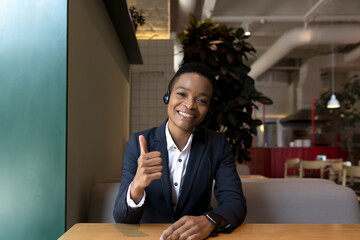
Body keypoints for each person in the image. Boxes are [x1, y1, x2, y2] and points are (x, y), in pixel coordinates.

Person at [113, 62, 246, 240]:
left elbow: (235, 202)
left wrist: (209, 220)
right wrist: (137, 186)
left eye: (201, 100)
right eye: (182, 94)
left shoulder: (218, 144)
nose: (190, 105)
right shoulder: (138, 144)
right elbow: (121, 218)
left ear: (208, 109)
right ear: (168, 96)